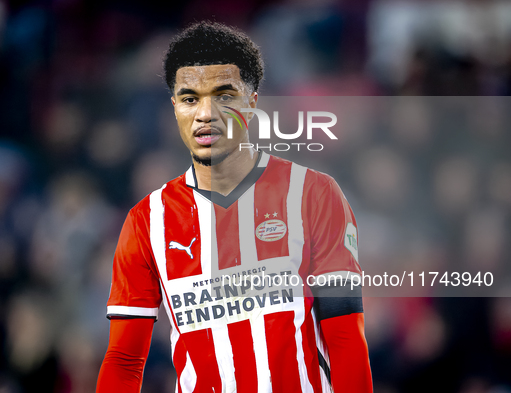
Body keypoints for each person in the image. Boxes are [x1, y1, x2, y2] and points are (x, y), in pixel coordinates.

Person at [96, 21, 373, 393]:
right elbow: (125, 359)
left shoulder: (314, 194)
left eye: (224, 95)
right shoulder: (147, 221)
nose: (206, 114)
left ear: (252, 102)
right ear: (174, 107)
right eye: (190, 98)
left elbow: (345, 336)